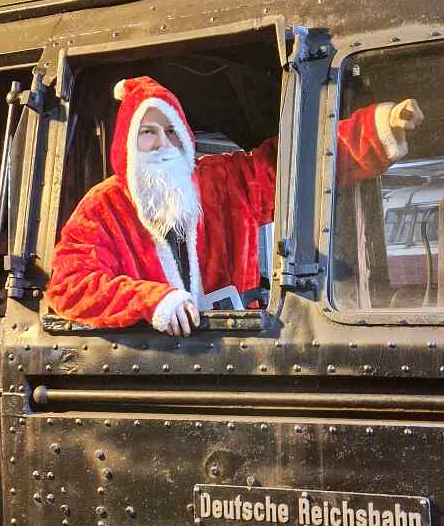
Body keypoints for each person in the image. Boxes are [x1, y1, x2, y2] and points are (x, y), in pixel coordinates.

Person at [46, 75, 424, 334]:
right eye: (148, 132)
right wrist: (152, 301)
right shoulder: (103, 207)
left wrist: (377, 129)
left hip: (233, 354)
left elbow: (293, 169)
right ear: (128, 142)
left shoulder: (222, 181)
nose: (162, 143)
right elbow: (69, 285)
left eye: (171, 131)